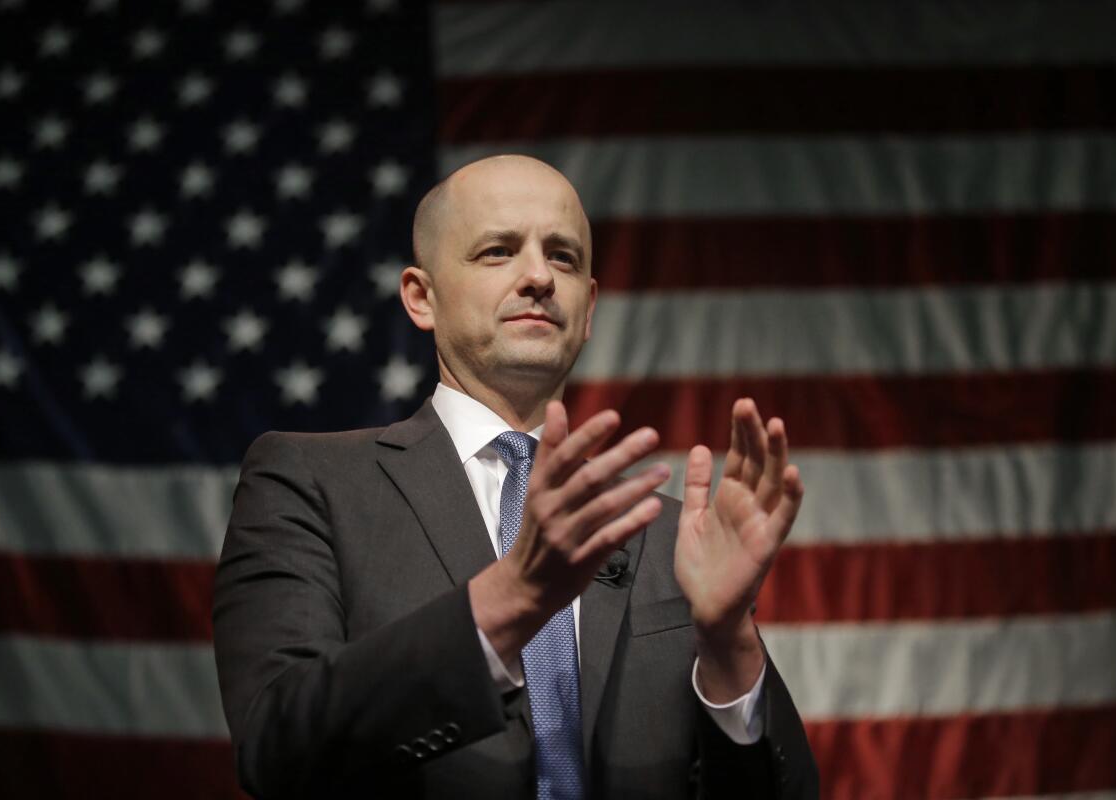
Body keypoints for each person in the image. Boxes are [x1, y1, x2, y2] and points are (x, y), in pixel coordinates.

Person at [213, 155, 818, 799]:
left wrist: (728, 646)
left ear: (588, 309)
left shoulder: (672, 534)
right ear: (422, 297)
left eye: (562, 257)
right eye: (498, 251)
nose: (538, 278)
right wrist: (513, 600)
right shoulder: (310, 482)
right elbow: (278, 749)